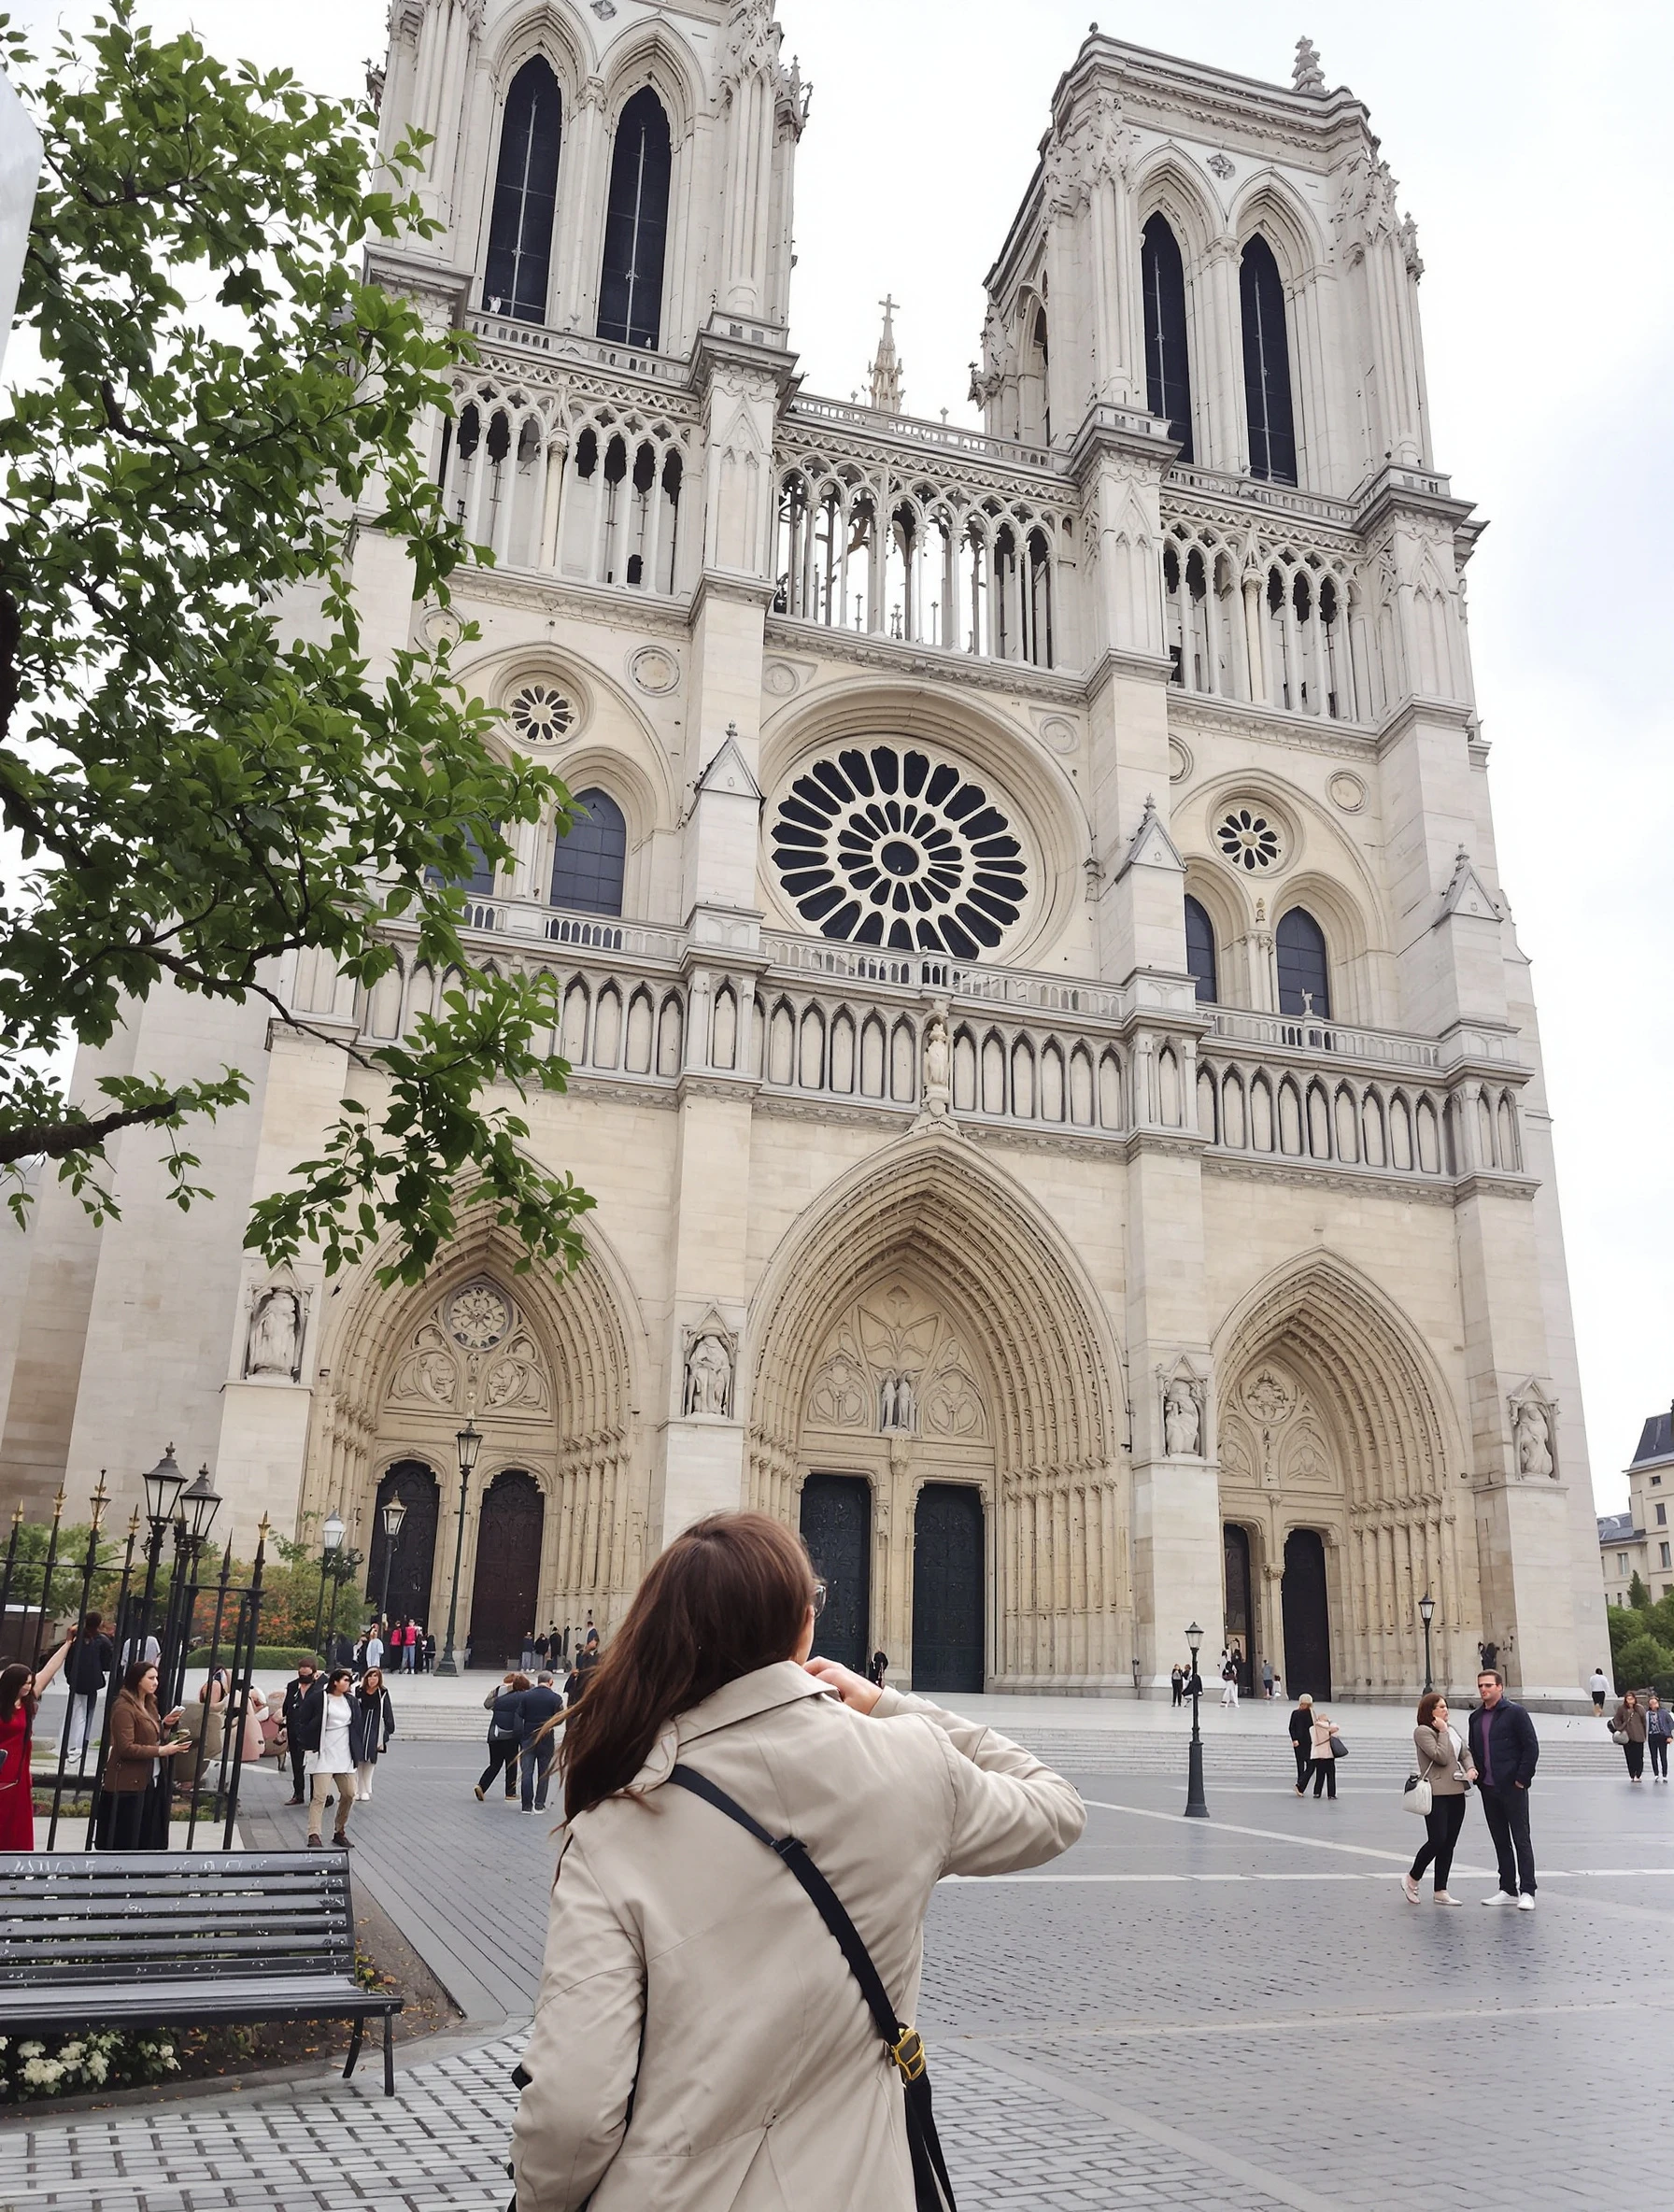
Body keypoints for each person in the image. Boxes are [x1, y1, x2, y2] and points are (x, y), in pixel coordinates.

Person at [508, 1510, 1084, 2211]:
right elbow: (1056, 1806)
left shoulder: (614, 1826)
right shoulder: (912, 1762)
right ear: (804, 1627)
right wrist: (888, 1707)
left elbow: (571, 2111)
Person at [1468, 1666, 1539, 1908]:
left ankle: (1527, 1890)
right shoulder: (1475, 1717)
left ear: (1500, 1687)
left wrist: (1521, 1779)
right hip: (1488, 1788)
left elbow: (1531, 1747)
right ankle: (1507, 1888)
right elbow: (1474, 1750)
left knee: (1521, 1838)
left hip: (1513, 1787)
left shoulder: (1516, 1713)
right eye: (1480, 1686)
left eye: (1488, 1685)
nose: (1484, 1690)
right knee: (1500, 1840)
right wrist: (1478, 1777)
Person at [101, 1657, 191, 1848]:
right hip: (130, 1783)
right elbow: (125, 1747)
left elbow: (149, 1735)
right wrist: (162, 1750)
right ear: (137, 1680)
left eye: (156, 1678)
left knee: (150, 1836)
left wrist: (165, 1726)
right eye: (150, 1678)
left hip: (153, 1778)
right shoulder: (123, 1708)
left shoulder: (149, 1703)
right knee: (128, 1838)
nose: (155, 1682)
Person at [1401, 1690, 1477, 1906]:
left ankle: (1440, 1890)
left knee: (1449, 1843)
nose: (1446, 1710)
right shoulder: (1423, 1731)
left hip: (1457, 1791)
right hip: (1436, 1793)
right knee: (1437, 1839)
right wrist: (1442, 1731)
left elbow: (1465, 1752)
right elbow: (1441, 1757)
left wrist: (1470, 1768)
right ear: (1430, 1711)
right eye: (1440, 1707)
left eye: (1446, 1706)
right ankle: (1412, 1878)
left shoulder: (1452, 1730)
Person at [0, 1639, 73, 1849]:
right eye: (24, 1683)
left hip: (19, 1769)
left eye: (30, 1683)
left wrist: (67, 1644)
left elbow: (49, 1669)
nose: (28, 1686)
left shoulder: (27, 1701)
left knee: (17, 1818)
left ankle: (15, 1861)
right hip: (2, 1766)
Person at [296, 1666, 357, 1849]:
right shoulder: (319, 1699)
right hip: (323, 1753)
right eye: (345, 1680)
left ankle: (340, 1830)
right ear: (335, 1682)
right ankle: (314, 1834)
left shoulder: (351, 1701)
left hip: (344, 1755)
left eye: (349, 1681)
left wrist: (360, 1751)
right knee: (320, 1796)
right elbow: (302, 1719)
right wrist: (306, 1739)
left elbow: (357, 1726)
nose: (348, 1684)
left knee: (349, 1794)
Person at [62, 1612, 114, 1768]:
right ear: (100, 1623)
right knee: (87, 1712)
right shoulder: (103, 1641)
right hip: (92, 1682)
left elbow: (68, 1660)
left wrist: (69, 1677)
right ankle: (81, 1742)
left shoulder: (77, 1640)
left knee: (74, 1712)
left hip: (76, 1681)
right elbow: (108, 1663)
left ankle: (69, 1743)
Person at [515, 1671, 564, 1813]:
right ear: (551, 1682)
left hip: (528, 1735)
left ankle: (526, 1806)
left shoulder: (526, 1696)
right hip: (546, 1737)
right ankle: (539, 1804)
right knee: (544, 1772)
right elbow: (561, 1718)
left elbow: (520, 1713)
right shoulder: (555, 1698)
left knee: (527, 1772)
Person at [475, 1673, 528, 1802]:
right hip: (510, 1734)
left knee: (495, 1763)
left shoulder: (499, 1697)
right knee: (511, 1764)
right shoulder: (523, 1697)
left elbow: (487, 1704)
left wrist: (501, 1689)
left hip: (494, 1733)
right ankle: (510, 1793)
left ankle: (481, 1786)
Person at [350, 1666, 395, 1803]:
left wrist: (389, 1728)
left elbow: (387, 1711)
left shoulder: (382, 1692)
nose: (372, 1679)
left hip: (374, 1728)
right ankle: (357, 1788)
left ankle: (365, 1788)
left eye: (375, 1676)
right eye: (370, 1676)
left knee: (370, 1758)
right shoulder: (358, 1691)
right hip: (360, 1726)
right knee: (358, 1758)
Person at [280, 1661, 319, 1805]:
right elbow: (286, 1706)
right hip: (294, 1730)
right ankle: (298, 1794)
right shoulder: (292, 1686)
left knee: (313, 1765)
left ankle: (317, 1795)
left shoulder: (319, 1688)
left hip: (312, 1732)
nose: (303, 1677)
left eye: (306, 1674)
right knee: (297, 1764)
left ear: (314, 1673)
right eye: (301, 1674)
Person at [1610, 1689, 1648, 1784]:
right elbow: (1616, 1719)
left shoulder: (1639, 1708)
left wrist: (1645, 1734)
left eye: (1631, 1698)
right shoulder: (1622, 1708)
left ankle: (1638, 1774)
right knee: (1629, 1756)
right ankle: (1632, 1774)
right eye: (1628, 1699)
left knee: (1639, 1756)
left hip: (1639, 1735)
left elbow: (1644, 1722)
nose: (1630, 1700)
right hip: (1627, 1736)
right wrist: (1620, 1728)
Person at [1307, 1704, 1341, 1798]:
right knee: (1331, 1775)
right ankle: (1331, 1794)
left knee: (1319, 1775)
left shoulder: (1314, 1727)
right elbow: (1336, 1729)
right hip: (1329, 1754)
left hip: (1319, 1754)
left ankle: (1317, 1792)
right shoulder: (1331, 1726)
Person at [1288, 1694, 1314, 1791]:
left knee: (1310, 1764)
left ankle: (1300, 1784)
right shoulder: (1296, 1713)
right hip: (1300, 1742)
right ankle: (1300, 1785)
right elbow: (1291, 1727)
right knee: (1301, 1764)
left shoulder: (1311, 1714)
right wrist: (1294, 1739)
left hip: (1309, 1742)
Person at [1646, 1693, 1672, 1782]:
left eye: (1655, 1702)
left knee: (1663, 1756)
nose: (1653, 1705)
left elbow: (1670, 1724)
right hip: (1651, 1736)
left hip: (1662, 1736)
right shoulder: (1647, 1714)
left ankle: (1664, 1774)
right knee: (1653, 1756)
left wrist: (1669, 1736)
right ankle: (1656, 1774)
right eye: (1651, 1703)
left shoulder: (1664, 1712)